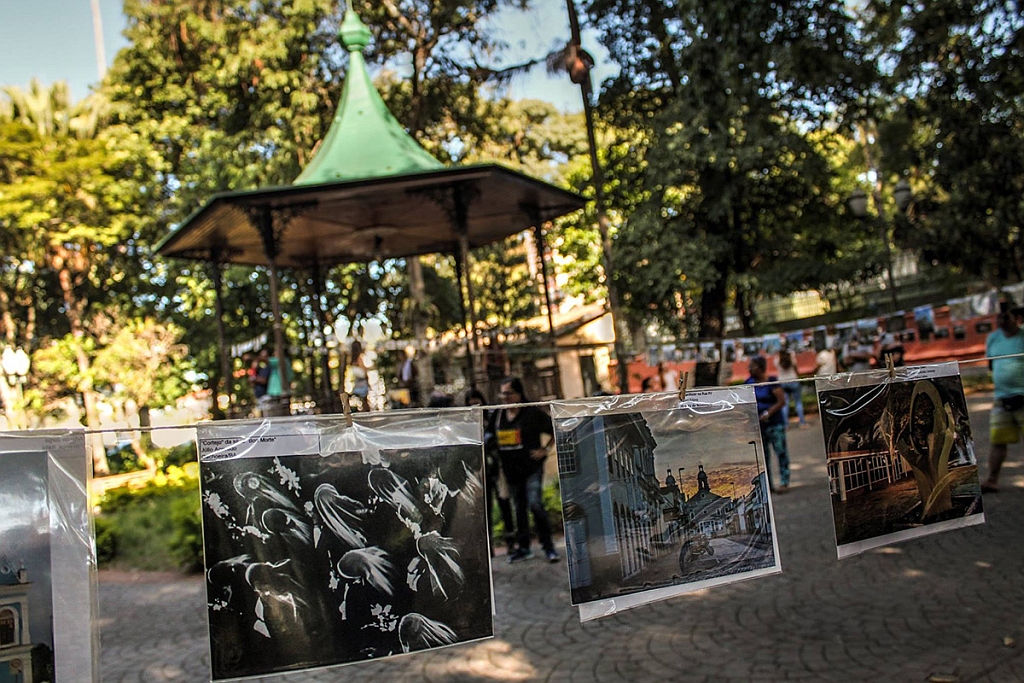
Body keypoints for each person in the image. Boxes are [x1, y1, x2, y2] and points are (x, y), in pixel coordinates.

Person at [491, 377, 559, 563]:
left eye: (508, 393)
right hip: (511, 471)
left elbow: (555, 428)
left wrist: (545, 450)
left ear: (518, 394)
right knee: (519, 509)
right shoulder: (498, 416)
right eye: (502, 393)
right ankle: (524, 548)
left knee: (535, 504)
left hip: (531, 469)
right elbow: (489, 437)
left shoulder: (532, 413)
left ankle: (549, 547)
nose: (504, 397)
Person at [466, 388, 517, 556]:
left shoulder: (494, 417)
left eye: (477, 402)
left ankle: (511, 542)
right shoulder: (467, 423)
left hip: (497, 468)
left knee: (504, 505)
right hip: (480, 472)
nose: (475, 405)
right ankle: (488, 547)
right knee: (484, 510)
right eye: (471, 403)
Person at [982, 306, 1024, 492]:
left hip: (1023, 398)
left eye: (1005, 317)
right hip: (1001, 398)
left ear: (1016, 318)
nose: (1000, 322)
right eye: (998, 318)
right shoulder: (993, 338)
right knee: (997, 440)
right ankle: (991, 480)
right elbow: (991, 366)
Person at [746, 356, 790, 492]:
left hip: (774, 423)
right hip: (759, 426)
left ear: (760, 367)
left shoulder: (771, 382)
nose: (749, 369)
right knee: (764, 457)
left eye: (752, 366)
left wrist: (767, 414)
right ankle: (768, 485)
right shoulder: (748, 383)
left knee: (780, 452)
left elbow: (781, 401)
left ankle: (784, 481)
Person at [777, 349, 806, 428]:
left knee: (785, 404)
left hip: (782, 382)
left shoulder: (777, 360)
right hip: (793, 380)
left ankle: (786, 424)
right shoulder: (791, 358)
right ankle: (802, 422)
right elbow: (796, 370)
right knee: (798, 402)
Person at [348, 340, 371, 410]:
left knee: (361, 400)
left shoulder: (352, 360)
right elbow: (364, 371)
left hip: (357, 382)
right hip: (362, 382)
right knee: (364, 401)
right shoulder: (359, 358)